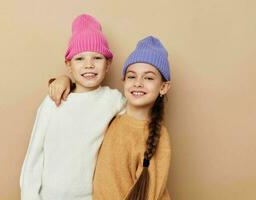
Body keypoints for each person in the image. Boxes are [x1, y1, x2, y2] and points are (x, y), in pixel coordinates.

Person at [50, 36, 172, 200]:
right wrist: (63, 79)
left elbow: (151, 194)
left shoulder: (157, 136)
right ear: (123, 81)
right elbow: (83, 103)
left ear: (163, 87)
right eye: (131, 76)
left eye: (148, 78)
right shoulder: (111, 114)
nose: (138, 83)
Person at [19, 14, 125, 200]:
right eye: (79, 59)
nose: (89, 65)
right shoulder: (53, 101)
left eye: (97, 58)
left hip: (92, 196)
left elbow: (137, 123)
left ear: (108, 64)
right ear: (68, 64)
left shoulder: (113, 100)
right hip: (49, 196)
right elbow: (34, 155)